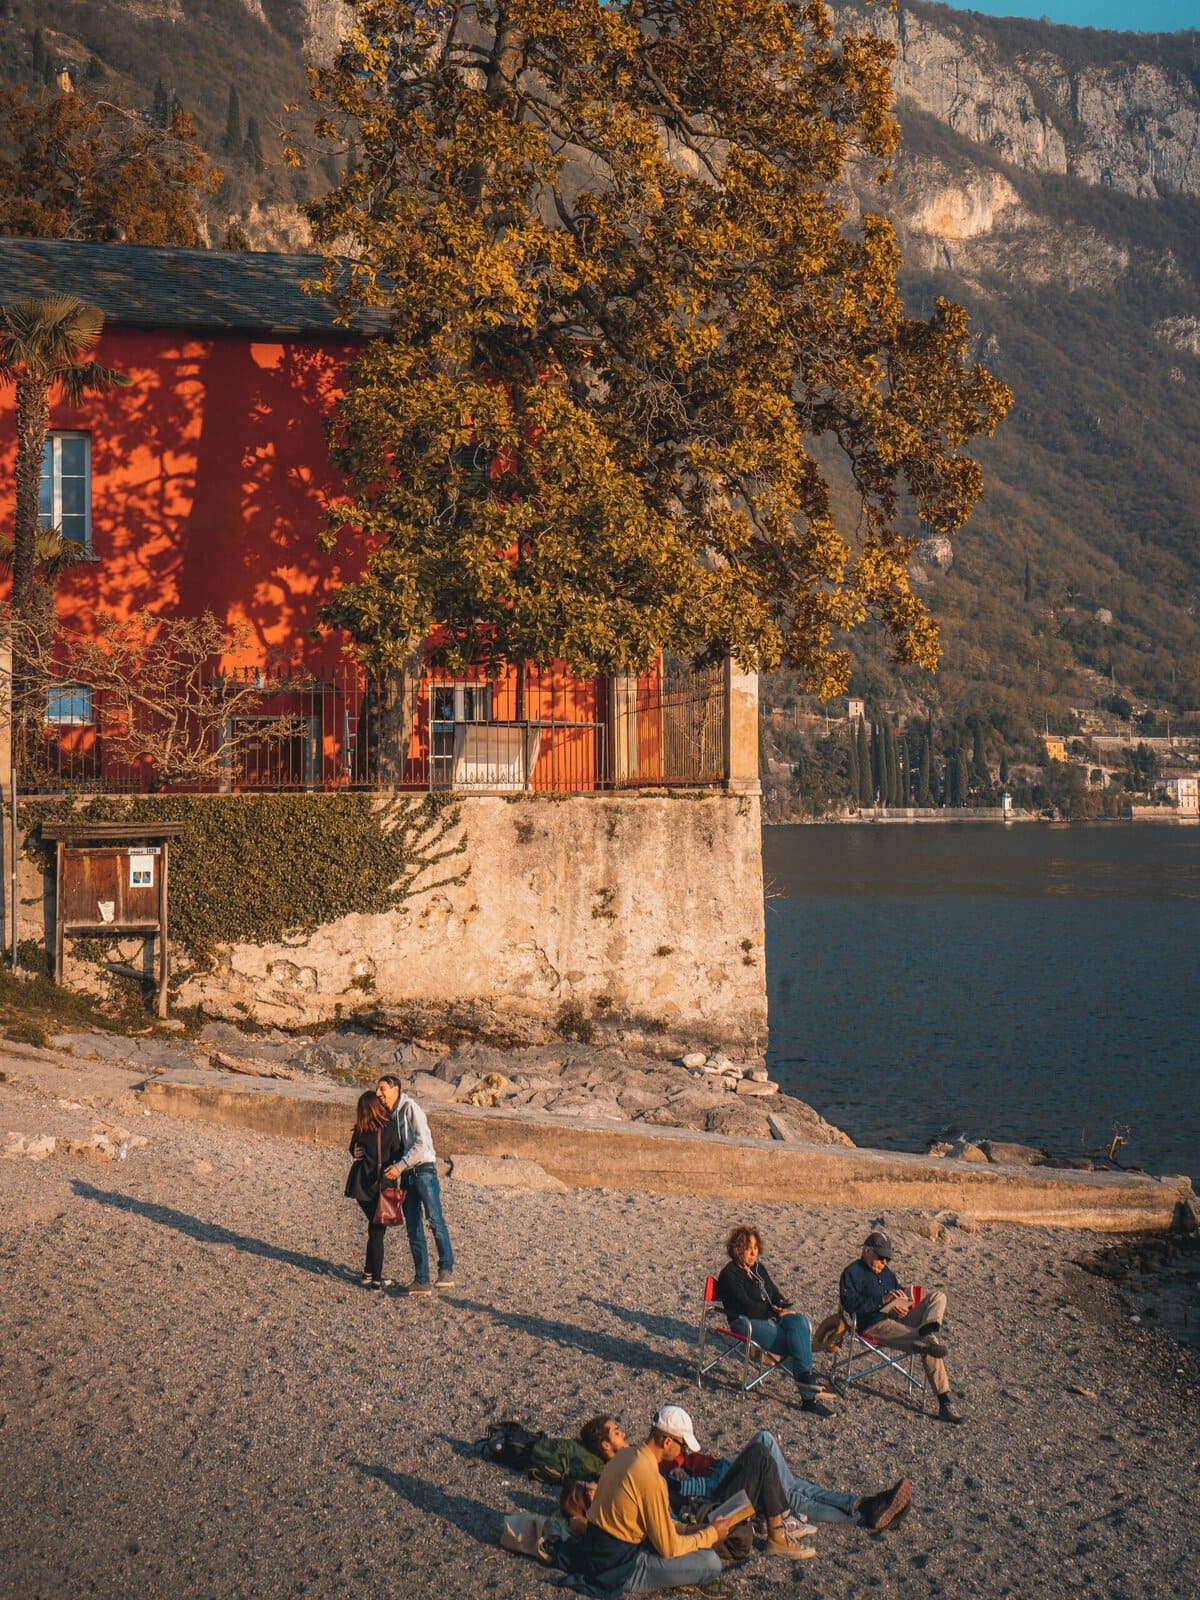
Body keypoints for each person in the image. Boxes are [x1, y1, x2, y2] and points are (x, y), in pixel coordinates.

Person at [574, 1412, 816, 1563]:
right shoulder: (617, 1472)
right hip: (701, 1510)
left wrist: (679, 1473)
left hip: (699, 1494)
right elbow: (665, 1532)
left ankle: (781, 1518)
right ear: (605, 1446)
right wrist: (705, 1530)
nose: (623, 1432)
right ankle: (778, 1531)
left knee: (763, 1449)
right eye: (617, 1432)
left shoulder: (634, 1458)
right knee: (762, 1456)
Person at [558, 1406, 733, 1594]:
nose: (682, 1452)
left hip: (597, 1550)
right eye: (682, 1446)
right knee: (711, 1562)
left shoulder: (625, 1456)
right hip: (621, 1566)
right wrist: (711, 1535)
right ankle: (662, 1581)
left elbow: (656, 1521)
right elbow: (669, 1548)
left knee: (698, 1547)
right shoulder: (650, 1477)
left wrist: (691, 1531)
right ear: (667, 1441)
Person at [664, 1429, 911, 1532]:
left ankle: (863, 1509)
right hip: (719, 1486)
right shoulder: (651, 1470)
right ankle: (865, 1509)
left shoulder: (649, 1458)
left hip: (723, 1472)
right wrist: (680, 1478)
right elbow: (687, 1495)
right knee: (768, 1445)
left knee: (796, 1488)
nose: (623, 1435)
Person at [838, 1229, 964, 1425]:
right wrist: (882, 1300)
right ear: (868, 1251)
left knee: (938, 1297)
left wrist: (902, 1308)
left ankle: (927, 1329)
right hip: (874, 1325)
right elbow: (850, 1304)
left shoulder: (887, 1273)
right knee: (930, 1346)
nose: (884, 1263)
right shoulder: (851, 1273)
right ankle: (945, 1402)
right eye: (881, 1258)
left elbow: (898, 1294)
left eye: (887, 1259)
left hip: (897, 1318)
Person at [715, 1224, 834, 1416]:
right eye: (748, 1248)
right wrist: (774, 1310)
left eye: (755, 1248)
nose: (753, 1253)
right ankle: (808, 1396)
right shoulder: (729, 1274)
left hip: (770, 1317)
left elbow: (772, 1292)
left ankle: (805, 1378)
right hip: (745, 1322)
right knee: (796, 1342)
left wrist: (781, 1302)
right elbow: (745, 1305)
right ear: (737, 1250)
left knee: (800, 1321)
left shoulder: (758, 1268)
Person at [375, 1074, 455, 1294]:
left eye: (382, 1089)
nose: (378, 1094)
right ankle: (422, 1279)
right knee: (413, 1227)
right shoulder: (391, 1115)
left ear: (395, 1089)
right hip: (407, 1176)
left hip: (424, 1171)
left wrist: (398, 1167)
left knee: (435, 1219)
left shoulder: (410, 1108)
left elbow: (421, 1144)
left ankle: (446, 1269)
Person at [345, 1090, 401, 1290]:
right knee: (378, 1231)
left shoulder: (361, 1129)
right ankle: (376, 1280)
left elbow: (354, 1150)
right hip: (381, 1185)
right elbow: (397, 1152)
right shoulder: (389, 1127)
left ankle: (368, 1273)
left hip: (361, 1186)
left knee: (374, 1227)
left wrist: (356, 1152)